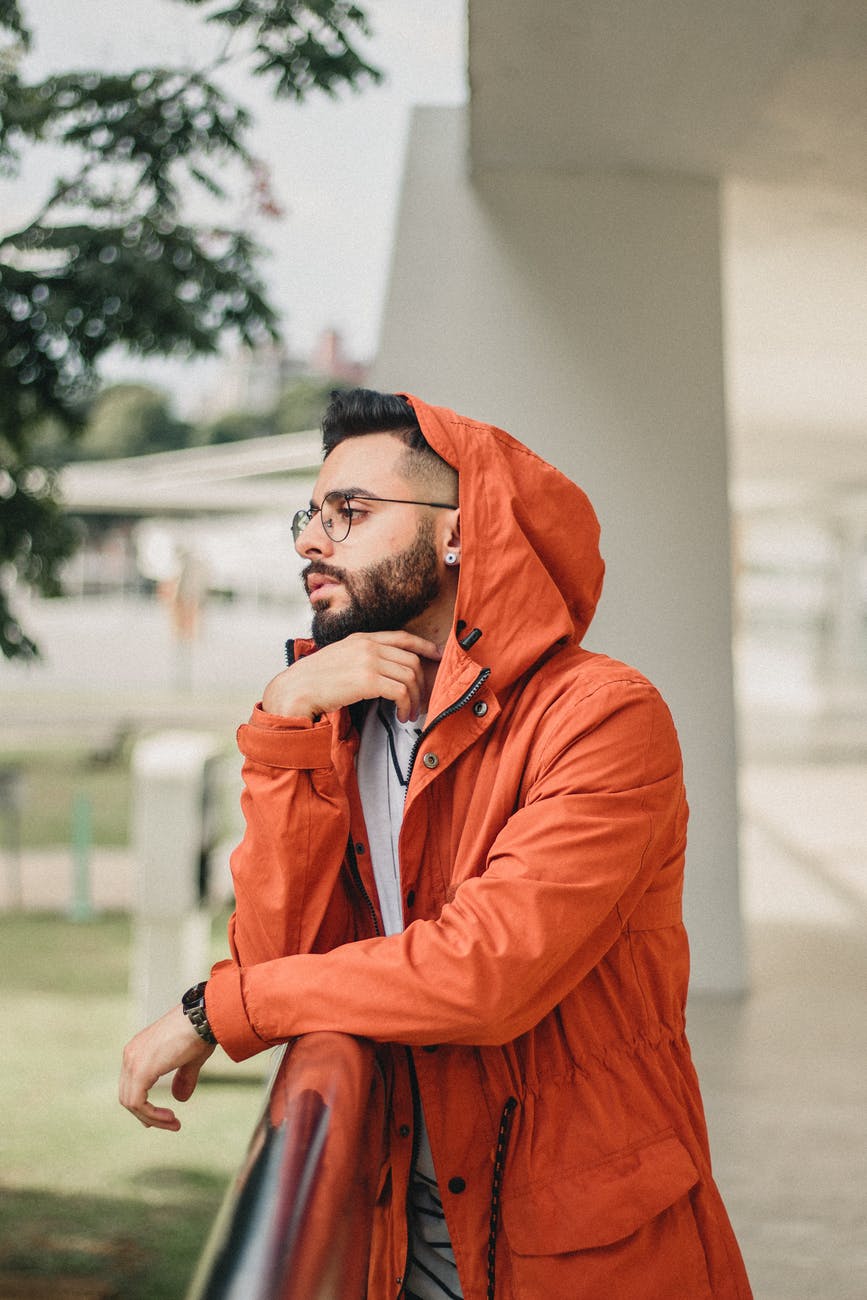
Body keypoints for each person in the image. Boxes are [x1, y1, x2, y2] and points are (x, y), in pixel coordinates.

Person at [120, 389, 752, 1299]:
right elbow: (280, 958)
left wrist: (211, 1008)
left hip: (576, 1246)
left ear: (462, 531)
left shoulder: (603, 716)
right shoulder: (341, 720)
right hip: (393, 1218)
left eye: (350, 512)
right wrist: (284, 723)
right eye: (311, 513)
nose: (309, 540)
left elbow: (482, 976)